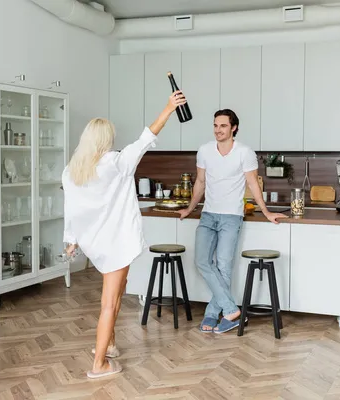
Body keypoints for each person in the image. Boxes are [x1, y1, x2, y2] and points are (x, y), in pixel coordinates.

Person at [62, 90, 187, 378]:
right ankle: (99, 364)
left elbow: (71, 209)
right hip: (116, 242)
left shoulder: (72, 170)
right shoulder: (117, 163)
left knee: (117, 291)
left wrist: (71, 241)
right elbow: (147, 137)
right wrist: (169, 107)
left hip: (96, 243)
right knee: (110, 302)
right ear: (106, 140)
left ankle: (111, 343)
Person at [177, 109, 287, 334]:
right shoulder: (205, 150)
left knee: (224, 267)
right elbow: (200, 182)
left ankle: (213, 314)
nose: (218, 130)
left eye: (223, 126)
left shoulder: (244, 152)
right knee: (201, 261)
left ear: (233, 128)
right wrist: (190, 208)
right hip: (208, 214)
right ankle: (231, 310)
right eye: (216, 126)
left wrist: (265, 212)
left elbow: (253, 184)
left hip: (231, 217)